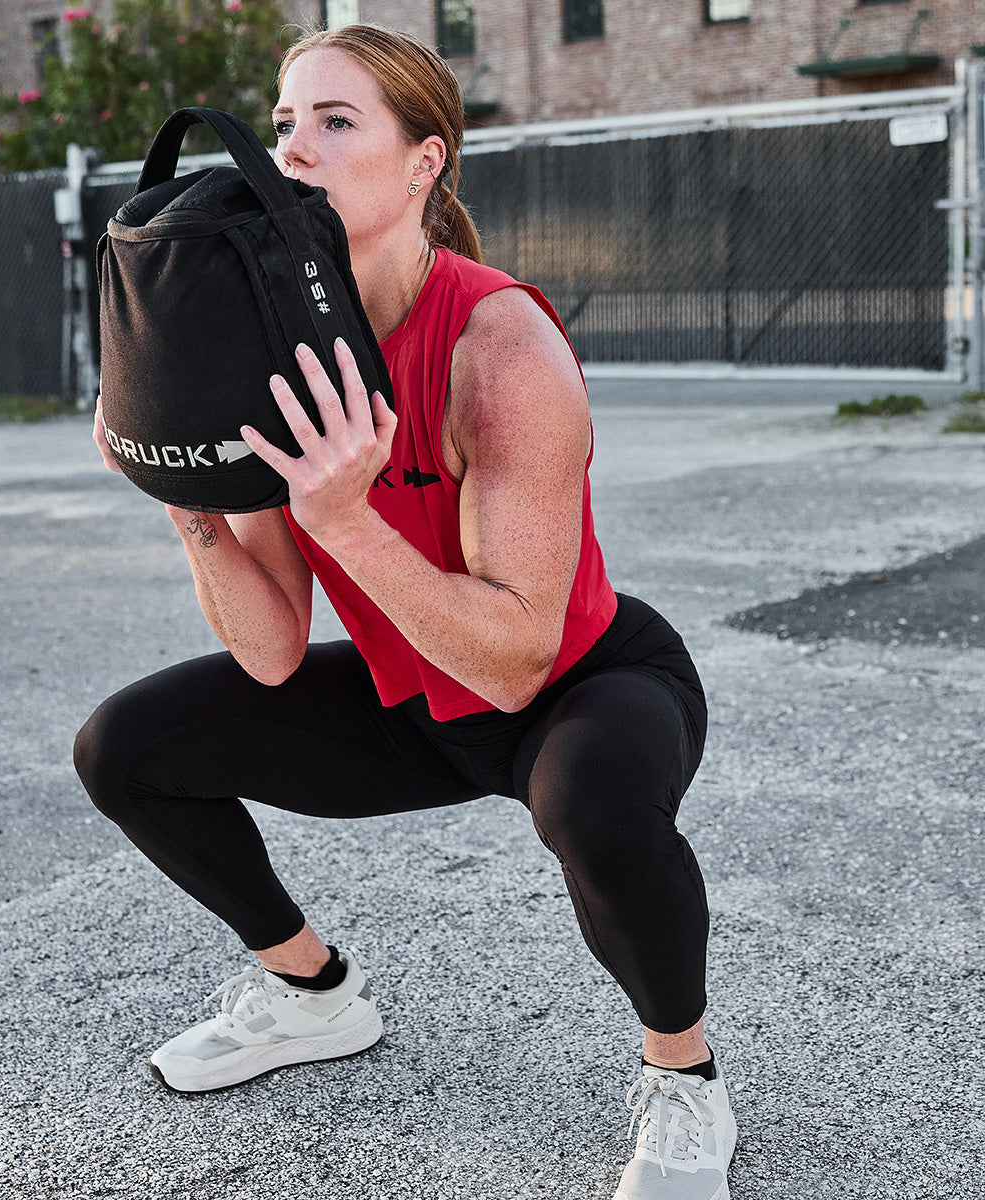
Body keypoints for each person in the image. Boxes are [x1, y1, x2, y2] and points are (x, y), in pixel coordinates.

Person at [74, 23, 737, 1200]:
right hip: (414, 695)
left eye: (337, 123)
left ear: (426, 161)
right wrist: (188, 504)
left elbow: (519, 658)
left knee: (592, 806)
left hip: (577, 684)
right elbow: (273, 653)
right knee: (125, 749)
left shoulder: (502, 348)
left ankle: (685, 1083)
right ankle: (311, 993)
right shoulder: (267, 350)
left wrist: (343, 519)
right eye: (284, 123)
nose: (296, 149)